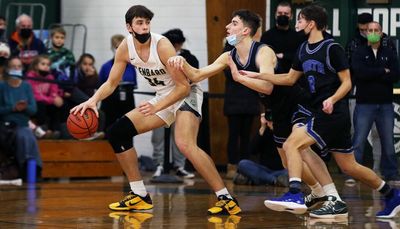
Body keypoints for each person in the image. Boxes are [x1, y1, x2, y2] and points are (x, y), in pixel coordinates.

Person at [168, 8, 341, 217]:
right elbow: (197, 74)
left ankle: (316, 194)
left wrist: (240, 78)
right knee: (287, 160)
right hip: (274, 108)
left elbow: (267, 86)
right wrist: (180, 62)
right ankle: (318, 191)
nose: (227, 27)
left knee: (297, 148)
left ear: (245, 30)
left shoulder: (263, 51)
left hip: (294, 102)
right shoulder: (228, 55)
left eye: (233, 23)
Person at [71, 5, 241, 215]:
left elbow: (183, 87)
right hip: (163, 97)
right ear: (129, 27)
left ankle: (226, 198)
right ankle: (139, 194)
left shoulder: (162, 46)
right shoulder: (125, 47)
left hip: (186, 94)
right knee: (117, 133)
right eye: (139, 23)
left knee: (185, 143)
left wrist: (156, 106)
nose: (144, 27)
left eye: (147, 22)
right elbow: (112, 82)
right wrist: (92, 100)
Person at [239, 4, 400, 218]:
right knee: (349, 166)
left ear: (311, 23)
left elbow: (347, 82)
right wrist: (260, 76)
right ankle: (392, 195)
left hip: (333, 112)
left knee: (292, 144)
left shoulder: (332, 48)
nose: (297, 23)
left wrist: (332, 99)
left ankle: (297, 193)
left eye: (300, 20)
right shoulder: (303, 49)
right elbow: (289, 78)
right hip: (319, 110)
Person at [351, 21, 400, 183]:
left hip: (385, 104)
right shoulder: (359, 52)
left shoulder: (390, 52)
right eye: (369, 30)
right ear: (365, 33)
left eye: (375, 30)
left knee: (388, 141)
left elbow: (395, 75)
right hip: (364, 103)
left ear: (381, 33)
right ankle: (354, 173)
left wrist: (374, 74)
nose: (372, 32)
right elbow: (359, 73)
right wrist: (381, 71)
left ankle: (391, 173)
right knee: (358, 140)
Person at [151, 28, 198, 179]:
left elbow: (193, 77)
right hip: (163, 98)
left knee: (181, 135)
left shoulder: (189, 57)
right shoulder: (159, 55)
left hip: (181, 99)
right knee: (158, 135)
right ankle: (159, 165)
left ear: (178, 45)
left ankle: (180, 166)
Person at [0, 56, 42, 180]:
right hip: (5, 123)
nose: (17, 69)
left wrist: (24, 107)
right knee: (24, 135)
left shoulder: (26, 86)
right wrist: (13, 108)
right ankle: (26, 169)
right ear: (8, 69)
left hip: (23, 124)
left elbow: (33, 109)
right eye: (14, 67)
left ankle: (33, 170)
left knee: (27, 135)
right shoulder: (2, 86)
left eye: (19, 67)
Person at [234, 110, 288, 186]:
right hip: (263, 169)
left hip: (282, 170)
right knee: (243, 164)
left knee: (293, 172)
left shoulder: (286, 129)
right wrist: (262, 128)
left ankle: (256, 180)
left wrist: (277, 131)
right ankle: (275, 180)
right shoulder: (265, 130)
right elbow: (252, 150)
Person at [99, 34, 137, 129]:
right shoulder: (105, 67)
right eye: (116, 47)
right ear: (112, 48)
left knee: (128, 131)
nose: (119, 49)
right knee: (108, 130)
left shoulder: (132, 67)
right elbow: (100, 87)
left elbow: (133, 86)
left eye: (122, 47)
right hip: (109, 104)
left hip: (127, 104)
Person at [260, 1, 304, 73]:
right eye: (279, 13)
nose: (282, 15)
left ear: (291, 16)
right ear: (275, 15)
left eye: (286, 14)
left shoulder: (297, 36)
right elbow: (262, 56)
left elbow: (300, 56)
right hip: (272, 76)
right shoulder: (266, 36)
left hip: (292, 77)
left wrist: (283, 55)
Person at [26, 55, 63, 137]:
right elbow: (35, 95)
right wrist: (51, 100)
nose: (46, 66)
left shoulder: (50, 77)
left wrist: (56, 98)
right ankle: (42, 129)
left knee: (56, 105)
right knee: (41, 104)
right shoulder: (30, 77)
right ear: (36, 66)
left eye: (48, 65)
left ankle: (55, 130)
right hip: (33, 103)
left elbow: (54, 92)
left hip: (46, 101)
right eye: (43, 64)